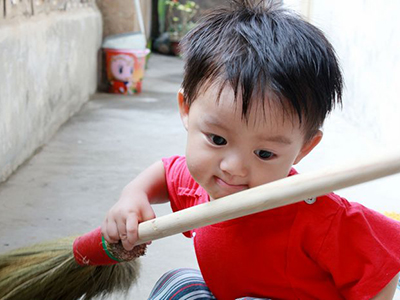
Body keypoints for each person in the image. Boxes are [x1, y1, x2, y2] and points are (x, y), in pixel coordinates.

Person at [101, 0, 400, 298]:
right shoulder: (203, 183)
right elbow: (166, 173)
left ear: (304, 148)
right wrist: (133, 196)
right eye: (217, 140)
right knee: (180, 283)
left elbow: (383, 268)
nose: (234, 167)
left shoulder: (320, 218)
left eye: (264, 154)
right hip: (227, 292)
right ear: (186, 109)